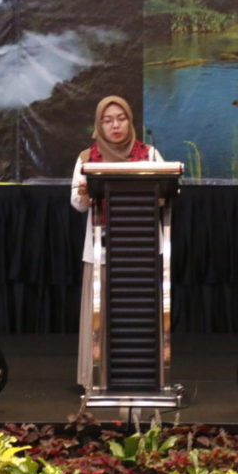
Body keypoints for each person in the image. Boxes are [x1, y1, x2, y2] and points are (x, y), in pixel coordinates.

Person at [70, 95, 162, 388]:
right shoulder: (87, 158)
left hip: (142, 251)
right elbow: (77, 203)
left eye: (121, 118)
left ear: (130, 121)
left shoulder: (149, 155)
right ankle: (95, 379)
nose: (115, 125)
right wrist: (85, 192)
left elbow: (166, 194)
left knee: (138, 315)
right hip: (101, 250)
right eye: (108, 120)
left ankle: (142, 377)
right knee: (101, 317)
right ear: (99, 126)